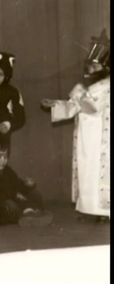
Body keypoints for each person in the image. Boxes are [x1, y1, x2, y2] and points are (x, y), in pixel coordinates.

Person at [41, 30, 110, 224]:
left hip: (102, 140)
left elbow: (90, 106)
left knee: (100, 172)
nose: (90, 70)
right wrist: (55, 103)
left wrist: (78, 93)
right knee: (88, 170)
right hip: (88, 138)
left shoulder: (105, 86)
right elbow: (77, 106)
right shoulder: (90, 87)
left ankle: (105, 211)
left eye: (95, 66)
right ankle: (96, 211)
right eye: (89, 66)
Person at [0, 133, 53, 227]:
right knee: (11, 206)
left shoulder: (8, 170)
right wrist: (14, 194)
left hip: (16, 199)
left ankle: (32, 213)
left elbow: (17, 184)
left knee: (35, 194)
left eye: (6, 156)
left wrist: (27, 185)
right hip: (0, 204)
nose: (3, 160)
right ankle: (28, 215)